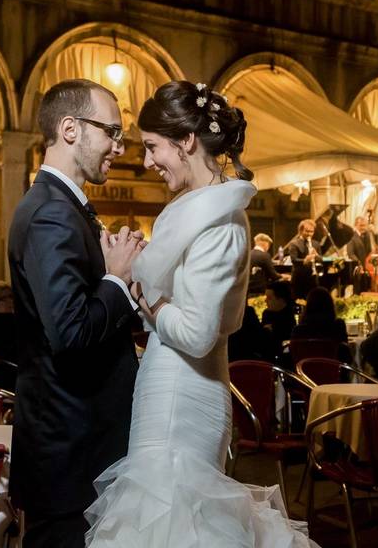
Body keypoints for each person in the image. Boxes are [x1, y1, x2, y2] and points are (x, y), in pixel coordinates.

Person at [84, 81, 318, 547]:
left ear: (186, 141)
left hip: (181, 395)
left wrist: (152, 299)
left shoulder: (220, 221)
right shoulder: (196, 211)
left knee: (172, 524)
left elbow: (196, 333)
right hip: (171, 385)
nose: (147, 161)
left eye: (153, 147)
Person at [7, 79, 143, 548]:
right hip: (69, 453)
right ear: (70, 128)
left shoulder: (63, 208)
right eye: (112, 131)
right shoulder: (50, 213)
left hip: (79, 446)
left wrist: (116, 281)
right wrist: (117, 281)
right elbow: (70, 331)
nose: (119, 147)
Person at [285, 219, 322, 301]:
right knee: (298, 301)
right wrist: (305, 260)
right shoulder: (294, 243)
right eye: (307, 231)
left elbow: (320, 260)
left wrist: (316, 256)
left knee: (313, 301)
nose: (309, 234)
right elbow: (294, 260)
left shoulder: (316, 244)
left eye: (311, 232)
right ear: (301, 231)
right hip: (299, 278)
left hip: (312, 277)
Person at [261, 279, 297, 349]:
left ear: (281, 299)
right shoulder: (266, 314)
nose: (265, 300)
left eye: (269, 298)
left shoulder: (290, 314)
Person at [347, 215, 376, 294]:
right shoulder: (351, 236)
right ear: (356, 225)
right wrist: (359, 263)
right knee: (357, 290)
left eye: (365, 225)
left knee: (365, 290)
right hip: (357, 268)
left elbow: (369, 250)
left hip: (366, 268)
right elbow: (351, 254)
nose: (363, 228)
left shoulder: (366, 236)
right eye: (361, 225)